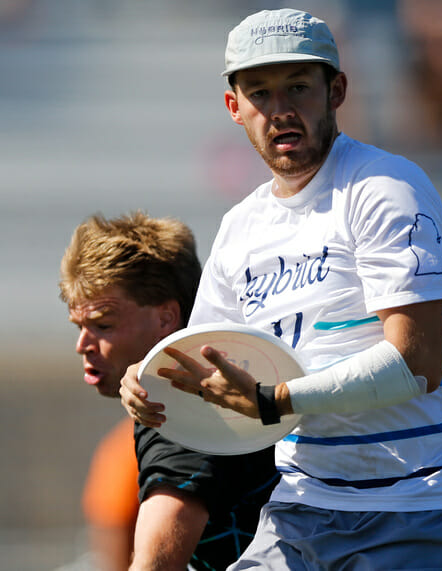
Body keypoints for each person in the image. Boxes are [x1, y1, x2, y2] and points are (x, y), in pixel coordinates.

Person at [121, 8, 442, 570]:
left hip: (418, 503)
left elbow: (417, 361)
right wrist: (147, 378)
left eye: (298, 86)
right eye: (261, 93)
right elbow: (204, 360)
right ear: (235, 108)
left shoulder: (385, 188)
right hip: (305, 503)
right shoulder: (239, 228)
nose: (281, 110)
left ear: (337, 90)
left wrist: (276, 402)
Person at [60, 211, 279, 570]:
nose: (83, 344)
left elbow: (154, 564)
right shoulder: (238, 381)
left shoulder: (176, 406)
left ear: (166, 318)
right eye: (79, 326)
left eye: (103, 324)